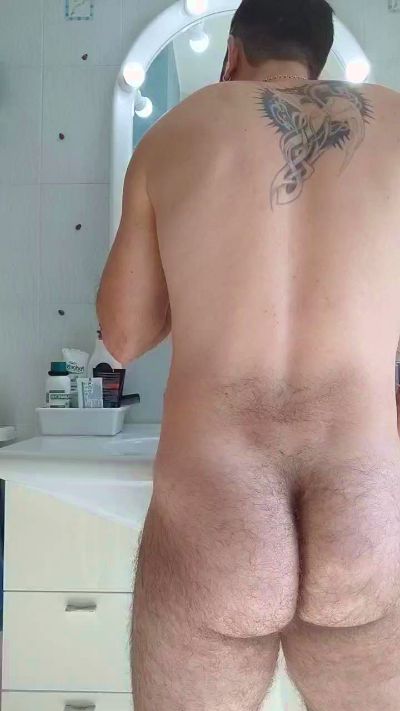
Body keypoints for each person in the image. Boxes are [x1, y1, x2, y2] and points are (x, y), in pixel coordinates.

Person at [97, 0, 400, 708]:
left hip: (214, 508)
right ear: (322, 57)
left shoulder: (176, 132)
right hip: (363, 506)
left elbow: (124, 336)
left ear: (231, 53)